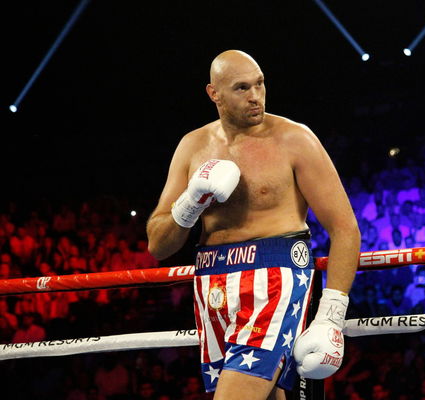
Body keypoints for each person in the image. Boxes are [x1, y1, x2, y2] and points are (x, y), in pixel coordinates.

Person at [146, 50, 360, 400]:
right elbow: (158, 245)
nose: (255, 96)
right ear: (214, 94)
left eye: (259, 84)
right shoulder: (192, 146)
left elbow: (344, 227)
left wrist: (330, 317)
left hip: (274, 278)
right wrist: (190, 203)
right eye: (242, 88)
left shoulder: (294, 139)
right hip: (211, 285)